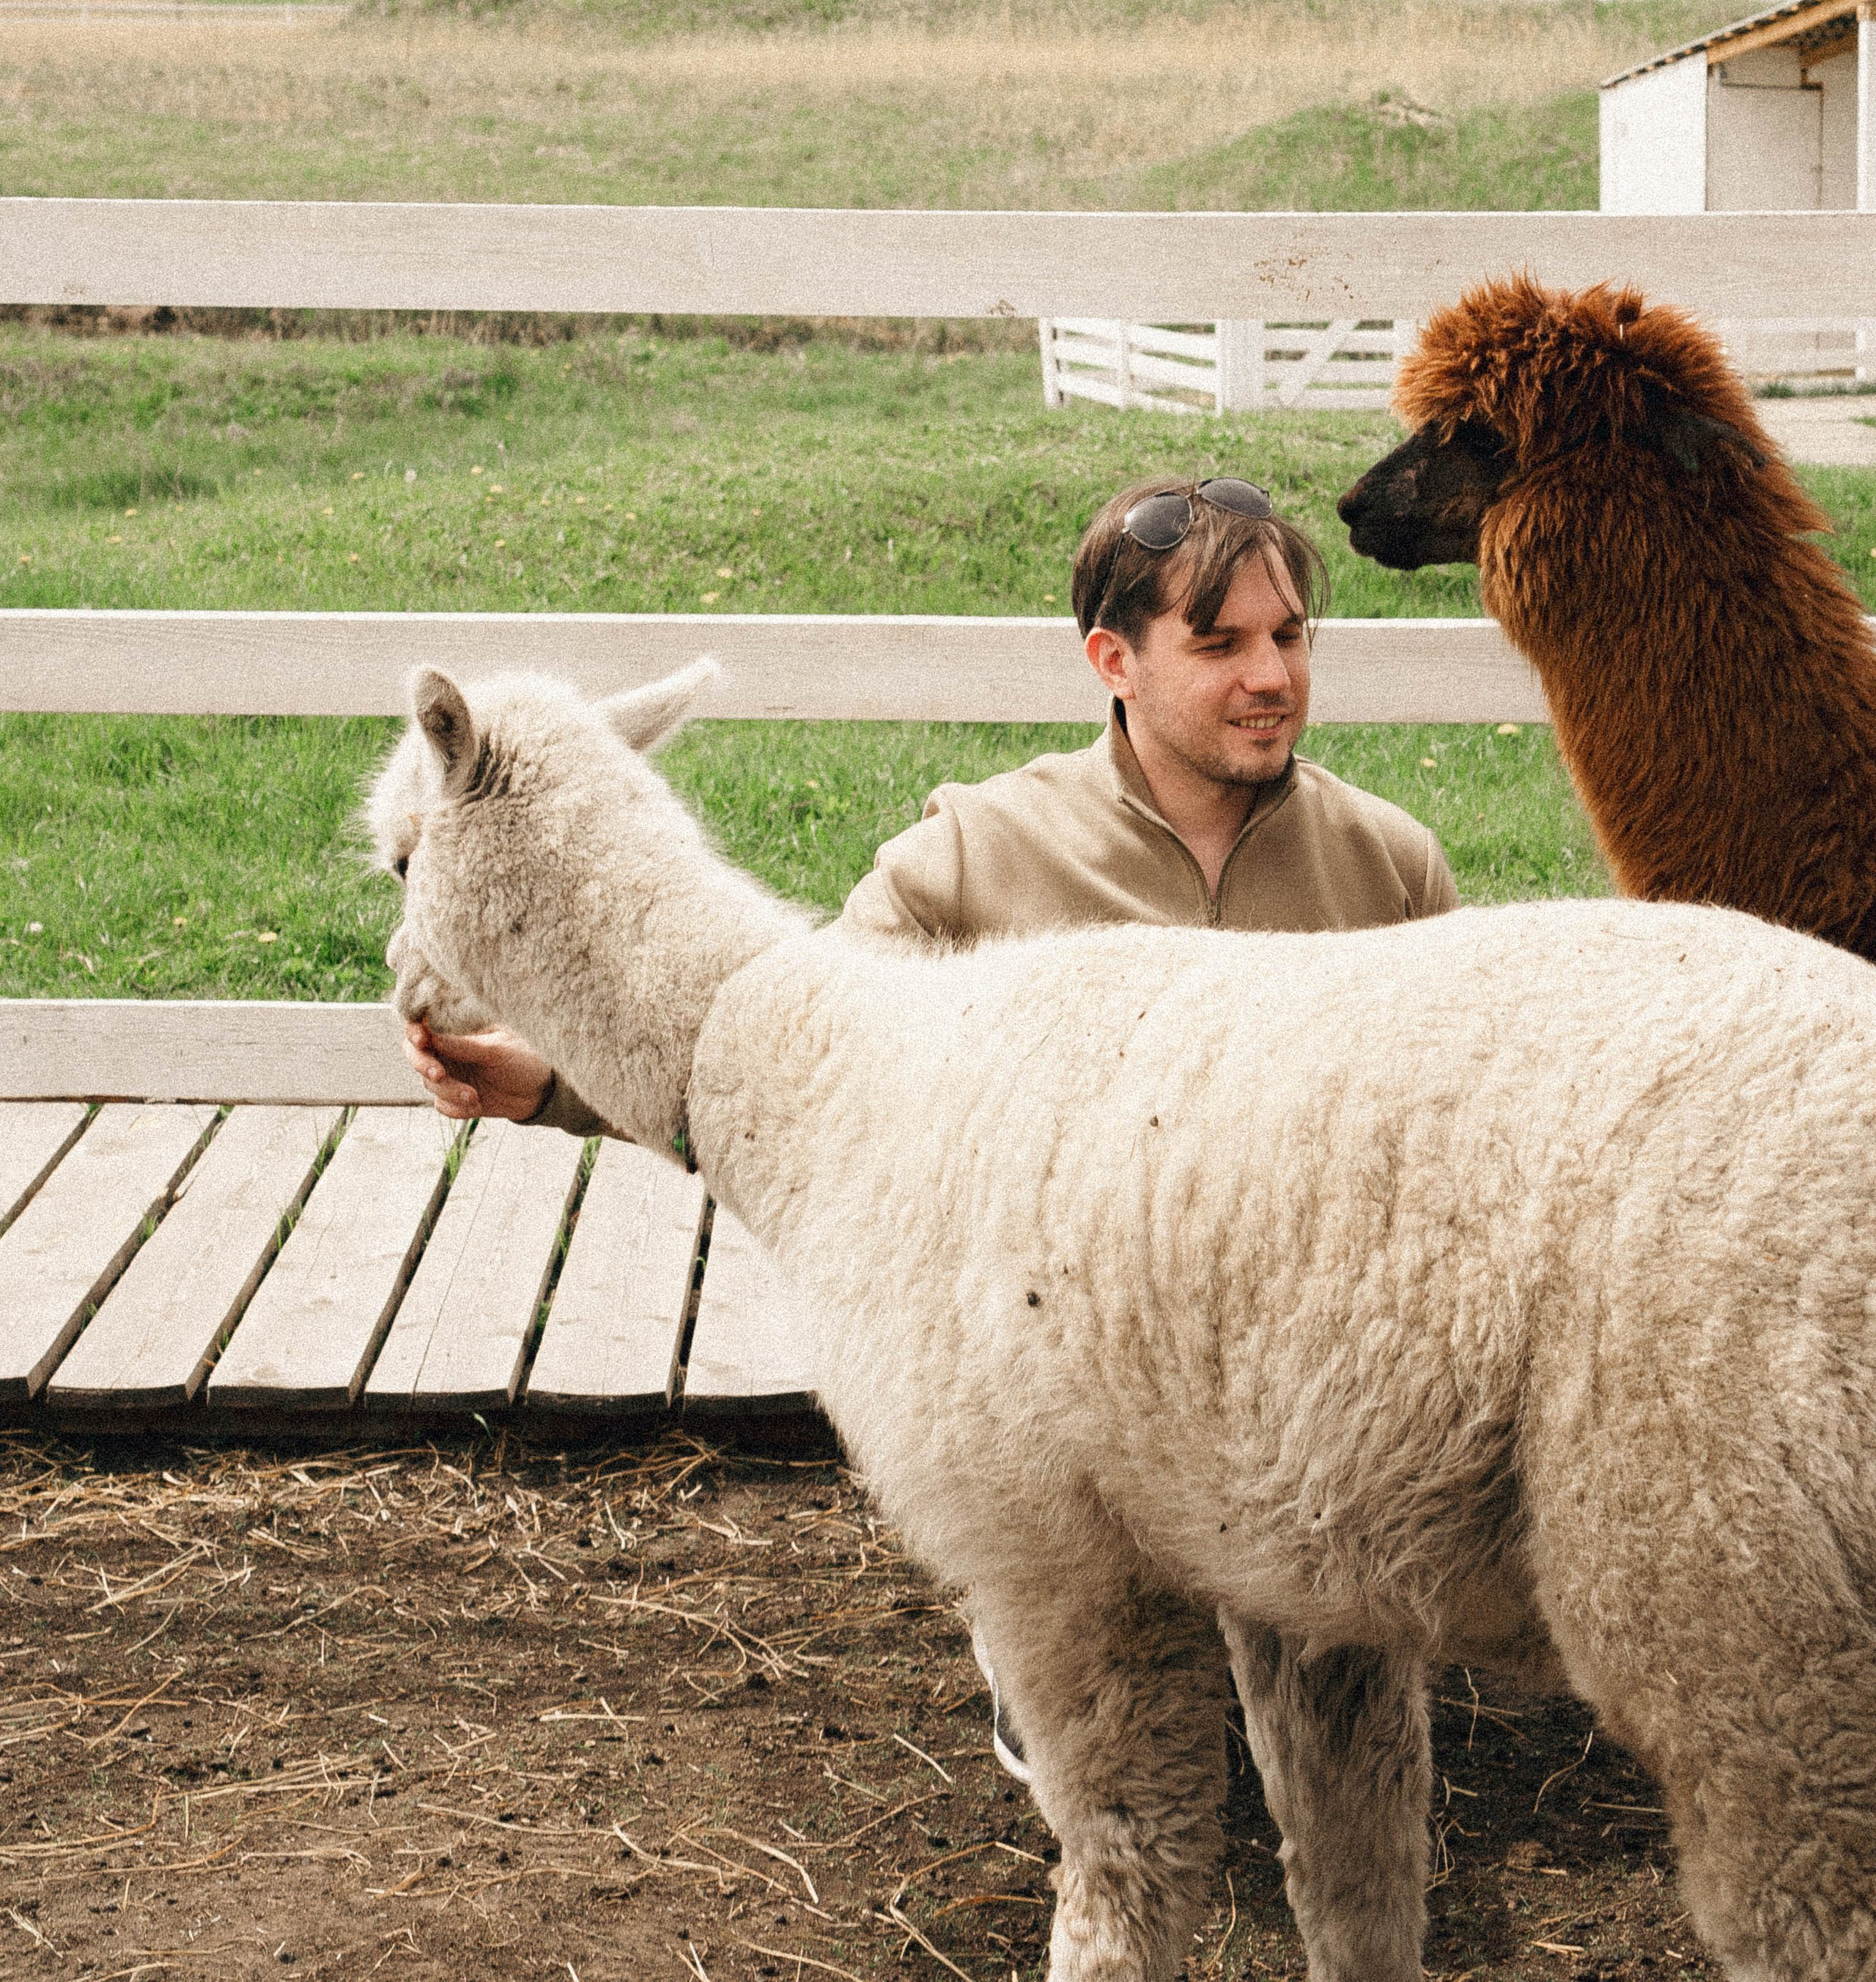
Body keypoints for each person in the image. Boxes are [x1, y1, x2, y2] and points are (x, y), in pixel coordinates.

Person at [402, 473, 1458, 1770]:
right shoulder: (977, 854)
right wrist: (551, 1087)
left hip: (1304, 1391)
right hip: (1090, 1402)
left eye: (1290, 639)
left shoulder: (1389, 867)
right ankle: (1081, 1630)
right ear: (1112, 660)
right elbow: (781, 1085)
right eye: (1223, 643)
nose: (1272, 677)